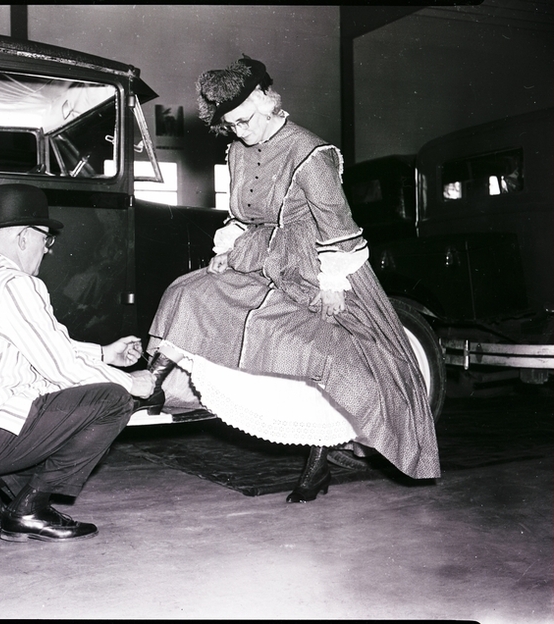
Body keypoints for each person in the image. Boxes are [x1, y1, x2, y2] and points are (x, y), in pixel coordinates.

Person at [142, 56, 441, 503]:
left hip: (315, 265)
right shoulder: (237, 149)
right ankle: (149, 387)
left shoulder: (311, 154)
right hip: (256, 255)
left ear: (265, 101)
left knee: (322, 357)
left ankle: (318, 463)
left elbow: (338, 227)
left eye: (243, 121)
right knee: (188, 292)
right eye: (230, 125)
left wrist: (333, 284)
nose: (238, 131)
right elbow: (242, 215)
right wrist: (226, 250)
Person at [0, 183, 156, 542]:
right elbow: (61, 367)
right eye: (45, 239)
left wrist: (104, 354)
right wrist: (132, 382)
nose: (47, 249)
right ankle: (29, 510)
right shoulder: (14, 283)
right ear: (23, 237)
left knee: (59, 387)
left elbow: (43, 347)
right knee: (114, 399)